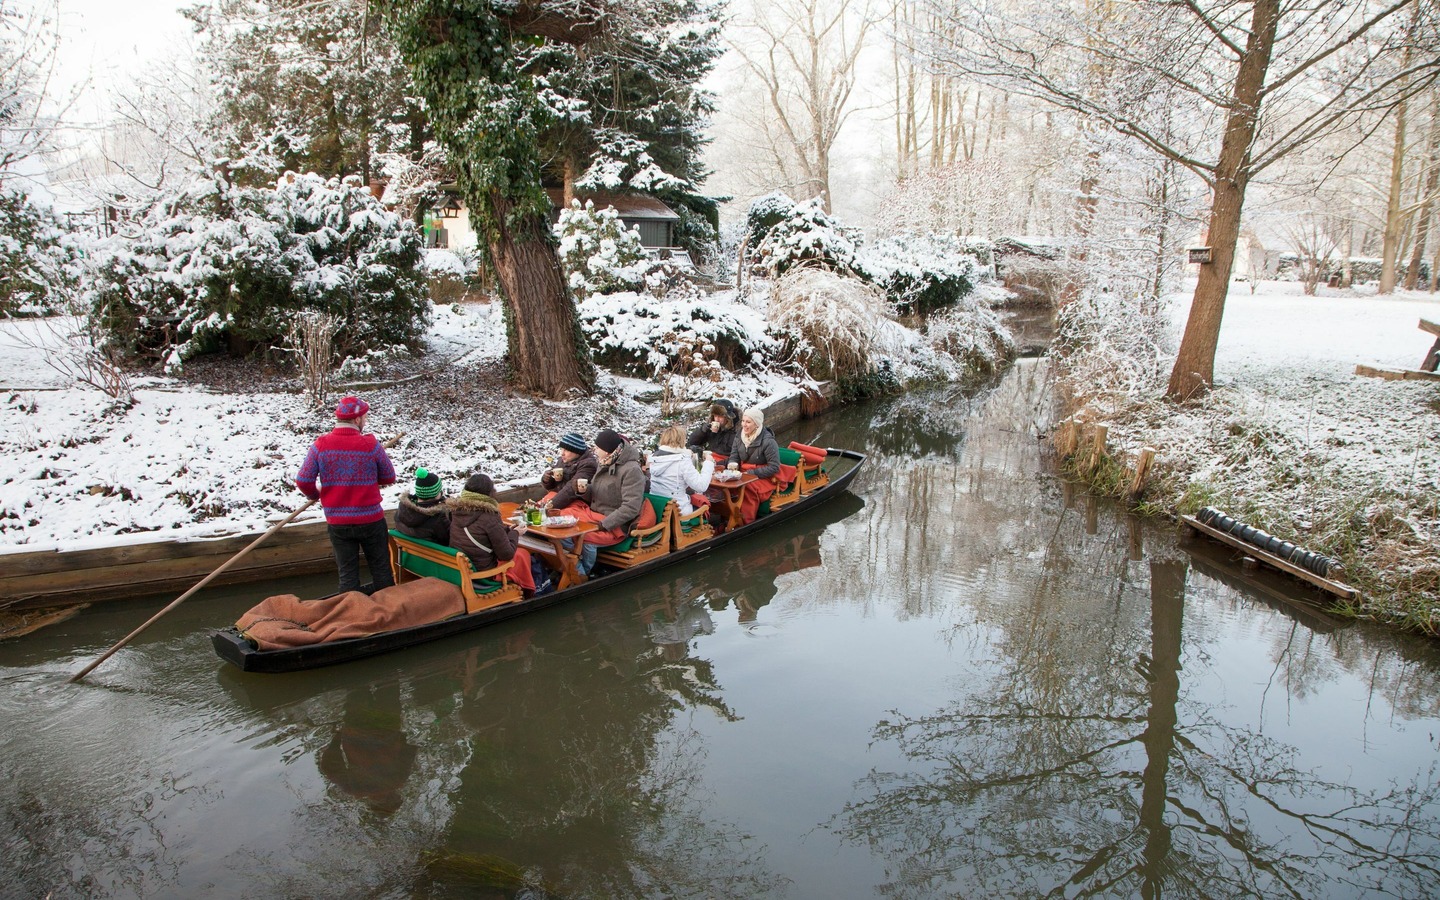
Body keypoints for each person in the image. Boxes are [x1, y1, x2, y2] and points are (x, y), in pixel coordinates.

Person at [296, 395, 397, 593]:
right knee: (381, 571)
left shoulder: (320, 445)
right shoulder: (369, 444)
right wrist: (367, 476)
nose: (365, 422)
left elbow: (303, 480)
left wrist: (315, 495)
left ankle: (350, 615)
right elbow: (388, 476)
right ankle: (390, 616)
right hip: (371, 520)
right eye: (365, 418)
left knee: (347, 575)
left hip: (338, 523)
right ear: (357, 419)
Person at [555, 428, 651, 575]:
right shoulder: (604, 462)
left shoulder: (631, 471)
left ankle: (581, 574)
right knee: (560, 525)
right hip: (593, 515)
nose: (594, 449)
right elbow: (596, 494)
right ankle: (569, 566)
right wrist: (583, 491)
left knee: (585, 537)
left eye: (597, 447)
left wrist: (604, 525)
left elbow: (631, 507)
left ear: (607, 450)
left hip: (613, 524)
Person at [448, 473, 549, 596]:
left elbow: (480, 532)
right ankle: (534, 591)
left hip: (466, 565)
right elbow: (506, 554)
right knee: (523, 554)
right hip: (485, 572)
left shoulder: (457, 510)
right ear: (489, 493)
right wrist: (516, 533)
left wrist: (507, 530)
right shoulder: (489, 516)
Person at [720, 406, 781, 525]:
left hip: (762, 476)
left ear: (757, 424)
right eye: (743, 421)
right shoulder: (739, 436)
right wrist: (732, 468)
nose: (744, 425)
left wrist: (752, 473)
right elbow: (734, 457)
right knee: (726, 484)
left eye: (748, 422)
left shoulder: (768, 441)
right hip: (744, 472)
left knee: (746, 487)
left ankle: (745, 520)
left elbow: (774, 467)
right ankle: (728, 516)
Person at [648, 424, 715, 516]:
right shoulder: (682, 461)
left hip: (658, 509)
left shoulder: (654, 459)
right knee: (705, 505)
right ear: (681, 441)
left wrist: (687, 454)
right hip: (678, 511)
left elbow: (673, 457)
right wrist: (709, 463)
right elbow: (701, 486)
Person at [540, 431, 598, 511]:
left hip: (577, 503)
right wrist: (547, 480)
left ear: (577, 452)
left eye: (566, 450)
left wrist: (551, 505)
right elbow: (553, 485)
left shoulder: (588, 465)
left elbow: (571, 490)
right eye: (561, 449)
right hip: (558, 499)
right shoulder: (562, 460)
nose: (562, 454)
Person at [394, 467, 450, 545]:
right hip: (430, 556)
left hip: (407, 554)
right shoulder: (437, 519)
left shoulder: (402, 510)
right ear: (436, 494)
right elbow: (448, 541)